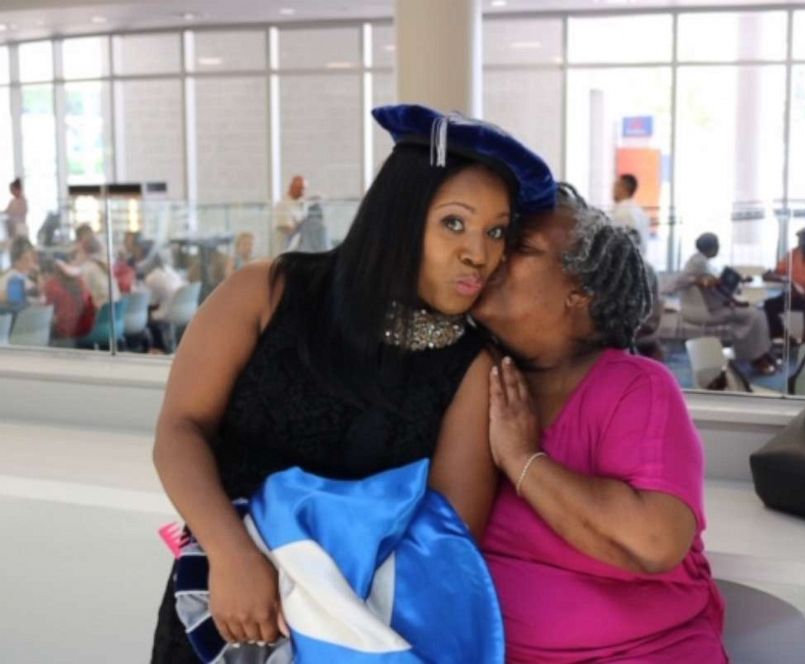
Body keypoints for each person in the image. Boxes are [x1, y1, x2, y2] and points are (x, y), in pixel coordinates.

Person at [149, 104, 556, 662]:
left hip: (352, 635)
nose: (478, 253)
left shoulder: (471, 368)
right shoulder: (265, 293)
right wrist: (230, 552)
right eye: (454, 223)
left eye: (497, 232)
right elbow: (179, 429)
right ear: (398, 217)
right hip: (226, 603)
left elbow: (443, 542)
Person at [473, 185, 726, 663]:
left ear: (579, 293)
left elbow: (655, 541)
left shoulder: (636, 387)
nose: (493, 258)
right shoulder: (476, 382)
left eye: (521, 249)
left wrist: (523, 460)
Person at [676, 232, 776, 375]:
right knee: (755, 314)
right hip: (708, 311)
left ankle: (760, 352)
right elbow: (715, 287)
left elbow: (713, 285)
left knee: (755, 312)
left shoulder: (697, 260)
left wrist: (734, 290)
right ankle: (757, 357)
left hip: (706, 307)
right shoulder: (700, 263)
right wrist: (733, 301)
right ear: (713, 247)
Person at [39, 256, 96, 340]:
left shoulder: (52, 284)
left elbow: (46, 313)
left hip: (66, 332)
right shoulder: (80, 281)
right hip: (86, 329)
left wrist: (41, 288)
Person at [77, 234, 120, 309]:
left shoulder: (88, 268)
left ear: (84, 251)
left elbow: (83, 293)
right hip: (116, 313)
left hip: (102, 313)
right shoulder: (105, 264)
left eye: (78, 252)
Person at [611, 173, 651, 251]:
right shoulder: (640, 211)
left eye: (615, 186)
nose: (613, 190)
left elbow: (619, 246)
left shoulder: (623, 212)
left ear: (623, 188)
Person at [272, 175, 307, 255]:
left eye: (304, 189)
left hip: (297, 249)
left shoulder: (300, 204)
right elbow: (287, 229)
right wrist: (302, 225)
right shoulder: (282, 205)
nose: (303, 192)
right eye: (300, 189)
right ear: (292, 187)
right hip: (283, 249)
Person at [0, 236, 39, 308]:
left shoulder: (11, 276)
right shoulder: (17, 279)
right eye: (26, 259)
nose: (31, 263)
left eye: (31, 258)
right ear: (16, 261)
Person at [3, 177, 28, 241]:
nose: (11, 192)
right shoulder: (12, 201)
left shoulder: (23, 201)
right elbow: (6, 211)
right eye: (11, 190)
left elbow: (19, 215)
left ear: (19, 189)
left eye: (13, 190)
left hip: (21, 228)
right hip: (12, 228)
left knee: (21, 246)